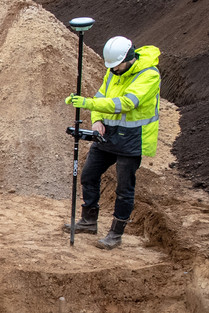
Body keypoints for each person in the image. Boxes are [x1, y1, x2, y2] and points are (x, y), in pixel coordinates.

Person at [65, 36, 161, 249]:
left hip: (132, 139)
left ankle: (115, 235)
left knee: (124, 188)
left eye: (116, 65)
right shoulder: (113, 72)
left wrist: (88, 103)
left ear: (129, 59)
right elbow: (101, 98)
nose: (113, 69)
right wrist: (97, 119)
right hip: (107, 135)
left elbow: (127, 103)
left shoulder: (149, 76)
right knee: (89, 175)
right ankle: (89, 221)